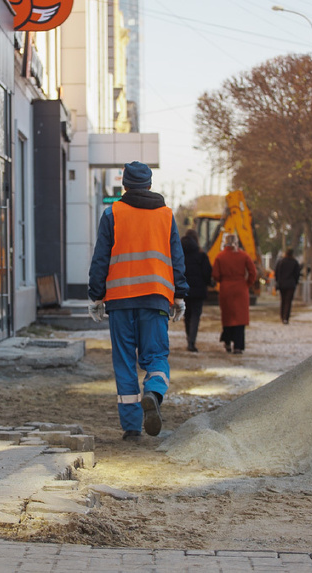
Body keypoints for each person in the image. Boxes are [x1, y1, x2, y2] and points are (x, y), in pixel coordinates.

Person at [87, 161, 189, 442]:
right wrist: (179, 294)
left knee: (124, 362)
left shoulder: (112, 214)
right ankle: (154, 393)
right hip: (156, 299)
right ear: (150, 185)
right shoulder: (166, 216)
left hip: (119, 301)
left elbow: (101, 259)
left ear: (124, 186)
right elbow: (176, 258)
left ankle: (131, 427)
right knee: (156, 356)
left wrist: (96, 296)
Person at [212, 234, 257, 354]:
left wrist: (222, 280)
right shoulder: (244, 256)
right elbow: (253, 272)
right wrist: (247, 283)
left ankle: (227, 341)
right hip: (241, 288)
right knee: (240, 318)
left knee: (227, 317)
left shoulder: (220, 257)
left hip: (226, 289)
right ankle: (238, 345)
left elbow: (215, 275)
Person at [180, 229, 212, 352]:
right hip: (198, 290)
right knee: (195, 316)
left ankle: (189, 337)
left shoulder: (180, 253)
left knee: (187, 315)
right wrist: (208, 283)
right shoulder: (201, 255)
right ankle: (191, 342)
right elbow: (207, 272)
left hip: (184, 289)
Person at [274, 248, 301, 325]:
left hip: (282, 284)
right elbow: (297, 274)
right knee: (288, 301)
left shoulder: (281, 261)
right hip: (291, 284)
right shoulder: (294, 262)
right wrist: (295, 282)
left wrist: (278, 281)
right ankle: (286, 317)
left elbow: (277, 272)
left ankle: (282, 316)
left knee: (283, 300)